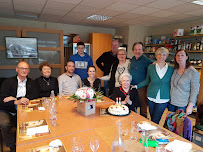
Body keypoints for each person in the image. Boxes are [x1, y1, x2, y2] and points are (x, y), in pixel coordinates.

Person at [0, 61, 38, 152]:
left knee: (32, 122)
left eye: (26, 69)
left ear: (28, 71)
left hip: (24, 110)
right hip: (7, 110)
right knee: (4, 124)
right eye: (22, 68)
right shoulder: (7, 82)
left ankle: (28, 146)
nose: (24, 70)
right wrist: (15, 102)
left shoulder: (32, 82)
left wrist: (16, 99)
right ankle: (12, 147)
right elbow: (2, 100)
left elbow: (35, 95)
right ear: (17, 69)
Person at [136, 47, 174, 124]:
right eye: (159, 54)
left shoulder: (171, 69)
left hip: (163, 98)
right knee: (152, 116)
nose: (161, 56)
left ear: (166, 56)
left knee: (156, 119)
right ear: (156, 56)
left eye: (164, 55)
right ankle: (152, 132)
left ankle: (152, 132)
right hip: (151, 96)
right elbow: (147, 80)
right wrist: (136, 86)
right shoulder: (151, 67)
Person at [168, 49, 200, 115]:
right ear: (175, 58)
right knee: (169, 123)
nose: (180, 57)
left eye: (182, 55)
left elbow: (195, 90)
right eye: (178, 55)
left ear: (186, 57)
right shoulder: (174, 69)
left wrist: (191, 105)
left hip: (182, 104)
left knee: (179, 124)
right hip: (171, 102)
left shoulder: (193, 72)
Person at [129, 42, 153, 118]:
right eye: (135, 49)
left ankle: (143, 121)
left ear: (143, 50)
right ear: (133, 50)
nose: (137, 51)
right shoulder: (132, 59)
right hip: (131, 86)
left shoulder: (147, 60)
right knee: (132, 104)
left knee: (143, 107)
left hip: (141, 87)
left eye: (139, 49)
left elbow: (155, 65)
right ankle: (133, 119)